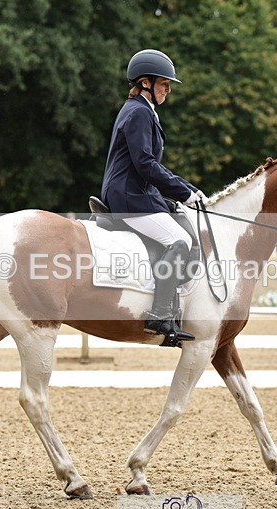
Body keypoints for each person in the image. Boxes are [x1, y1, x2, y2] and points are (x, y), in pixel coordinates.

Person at [100, 49, 205, 343]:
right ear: (145, 82)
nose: (168, 89)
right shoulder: (138, 112)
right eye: (164, 84)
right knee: (179, 240)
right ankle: (160, 315)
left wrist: (178, 192)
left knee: (180, 229)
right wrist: (184, 191)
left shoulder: (141, 110)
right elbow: (145, 164)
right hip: (129, 195)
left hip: (136, 191)